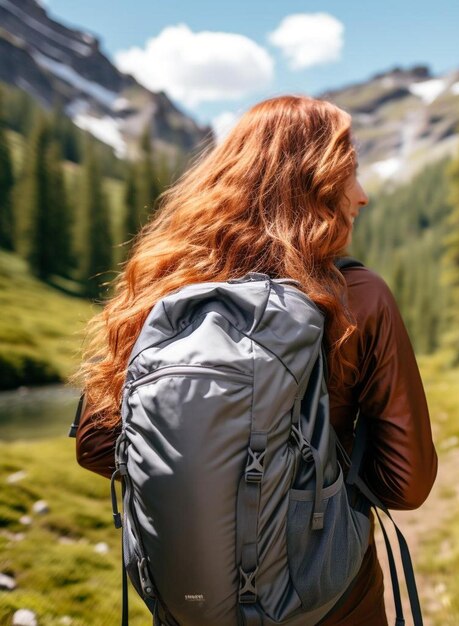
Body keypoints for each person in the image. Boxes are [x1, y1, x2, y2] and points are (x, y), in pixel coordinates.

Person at [72, 94, 438, 625]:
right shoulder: (355, 295)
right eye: (348, 174)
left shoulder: (160, 289)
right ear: (314, 186)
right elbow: (407, 483)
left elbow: (97, 446)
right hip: (329, 602)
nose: (361, 197)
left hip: (191, 604)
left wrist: (209, 479)